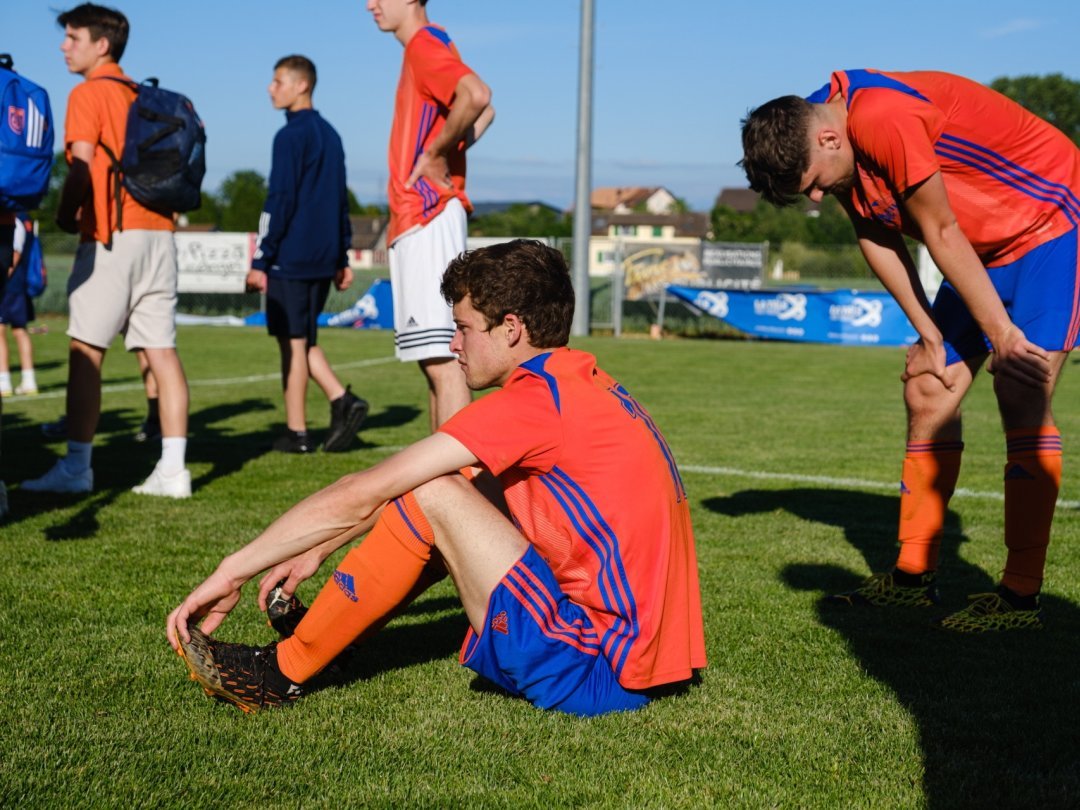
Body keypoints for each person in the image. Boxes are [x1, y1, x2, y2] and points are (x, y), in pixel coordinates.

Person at [167, 239, 707, 716]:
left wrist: (230, 572)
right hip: (643, 661)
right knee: (454, 490)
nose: (454, 345)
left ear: (512, 329)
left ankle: (281, 672)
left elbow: (366, 489)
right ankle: (332, 635)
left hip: (598, 670)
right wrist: (320, 547)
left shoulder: (533, 401)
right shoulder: (582, 383)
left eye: (464, 328)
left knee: (432, 490)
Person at [740, 69, 1080, 632]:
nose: (820, 197)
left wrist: (1001, 337)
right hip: (982, 250)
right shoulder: (827, 129)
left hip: (1053, 225)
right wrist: (929, 336)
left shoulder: (880, 117)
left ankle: (1021, 595)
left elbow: (940, 229)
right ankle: (912, 579)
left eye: (815, 185)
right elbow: (875, 234)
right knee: (929, 386)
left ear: (828, 139)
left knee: (1021, 388)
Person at [23, 3, 192, 498]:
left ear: (102, 44)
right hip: (161, 233)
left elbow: (79, 166)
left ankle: (77, 466)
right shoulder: (143, 94)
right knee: (162, 350)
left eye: (73, 37)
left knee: (85, 350)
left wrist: (61, 215)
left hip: (112, 235)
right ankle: (174, 469)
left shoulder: (88, 93)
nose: (63, 45)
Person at [367, 0, 495, 431]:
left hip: (427, 212)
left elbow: (477, 96)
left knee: (445, 360)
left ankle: (458, 487)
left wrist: (437, 154)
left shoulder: (424, 44)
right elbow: (485, 111)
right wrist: (446, 151)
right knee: (435, 360)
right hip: (422, 214)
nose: (370, 4)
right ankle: (443, 484)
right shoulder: (432, 42)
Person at [247, 55, 368, 454]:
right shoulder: (331, 134)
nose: (270, 87)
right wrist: (341, 256)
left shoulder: (289, 137)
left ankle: (298, 431)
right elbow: (340, 200)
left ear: (302, 85)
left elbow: (279, 199)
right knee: (303, 339)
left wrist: (262, 259)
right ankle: (340, 402)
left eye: (277, 79)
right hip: (321, 257)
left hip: (291, 257)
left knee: (293, 343)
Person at [0, 214, 42, 397]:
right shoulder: (23, 219)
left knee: (3, 331)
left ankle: (4, 382)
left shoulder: (14, 219)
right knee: (19, 330)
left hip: (10, 285)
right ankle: (27, 379)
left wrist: (3, 277)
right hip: (17, 285)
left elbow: (14, 253)